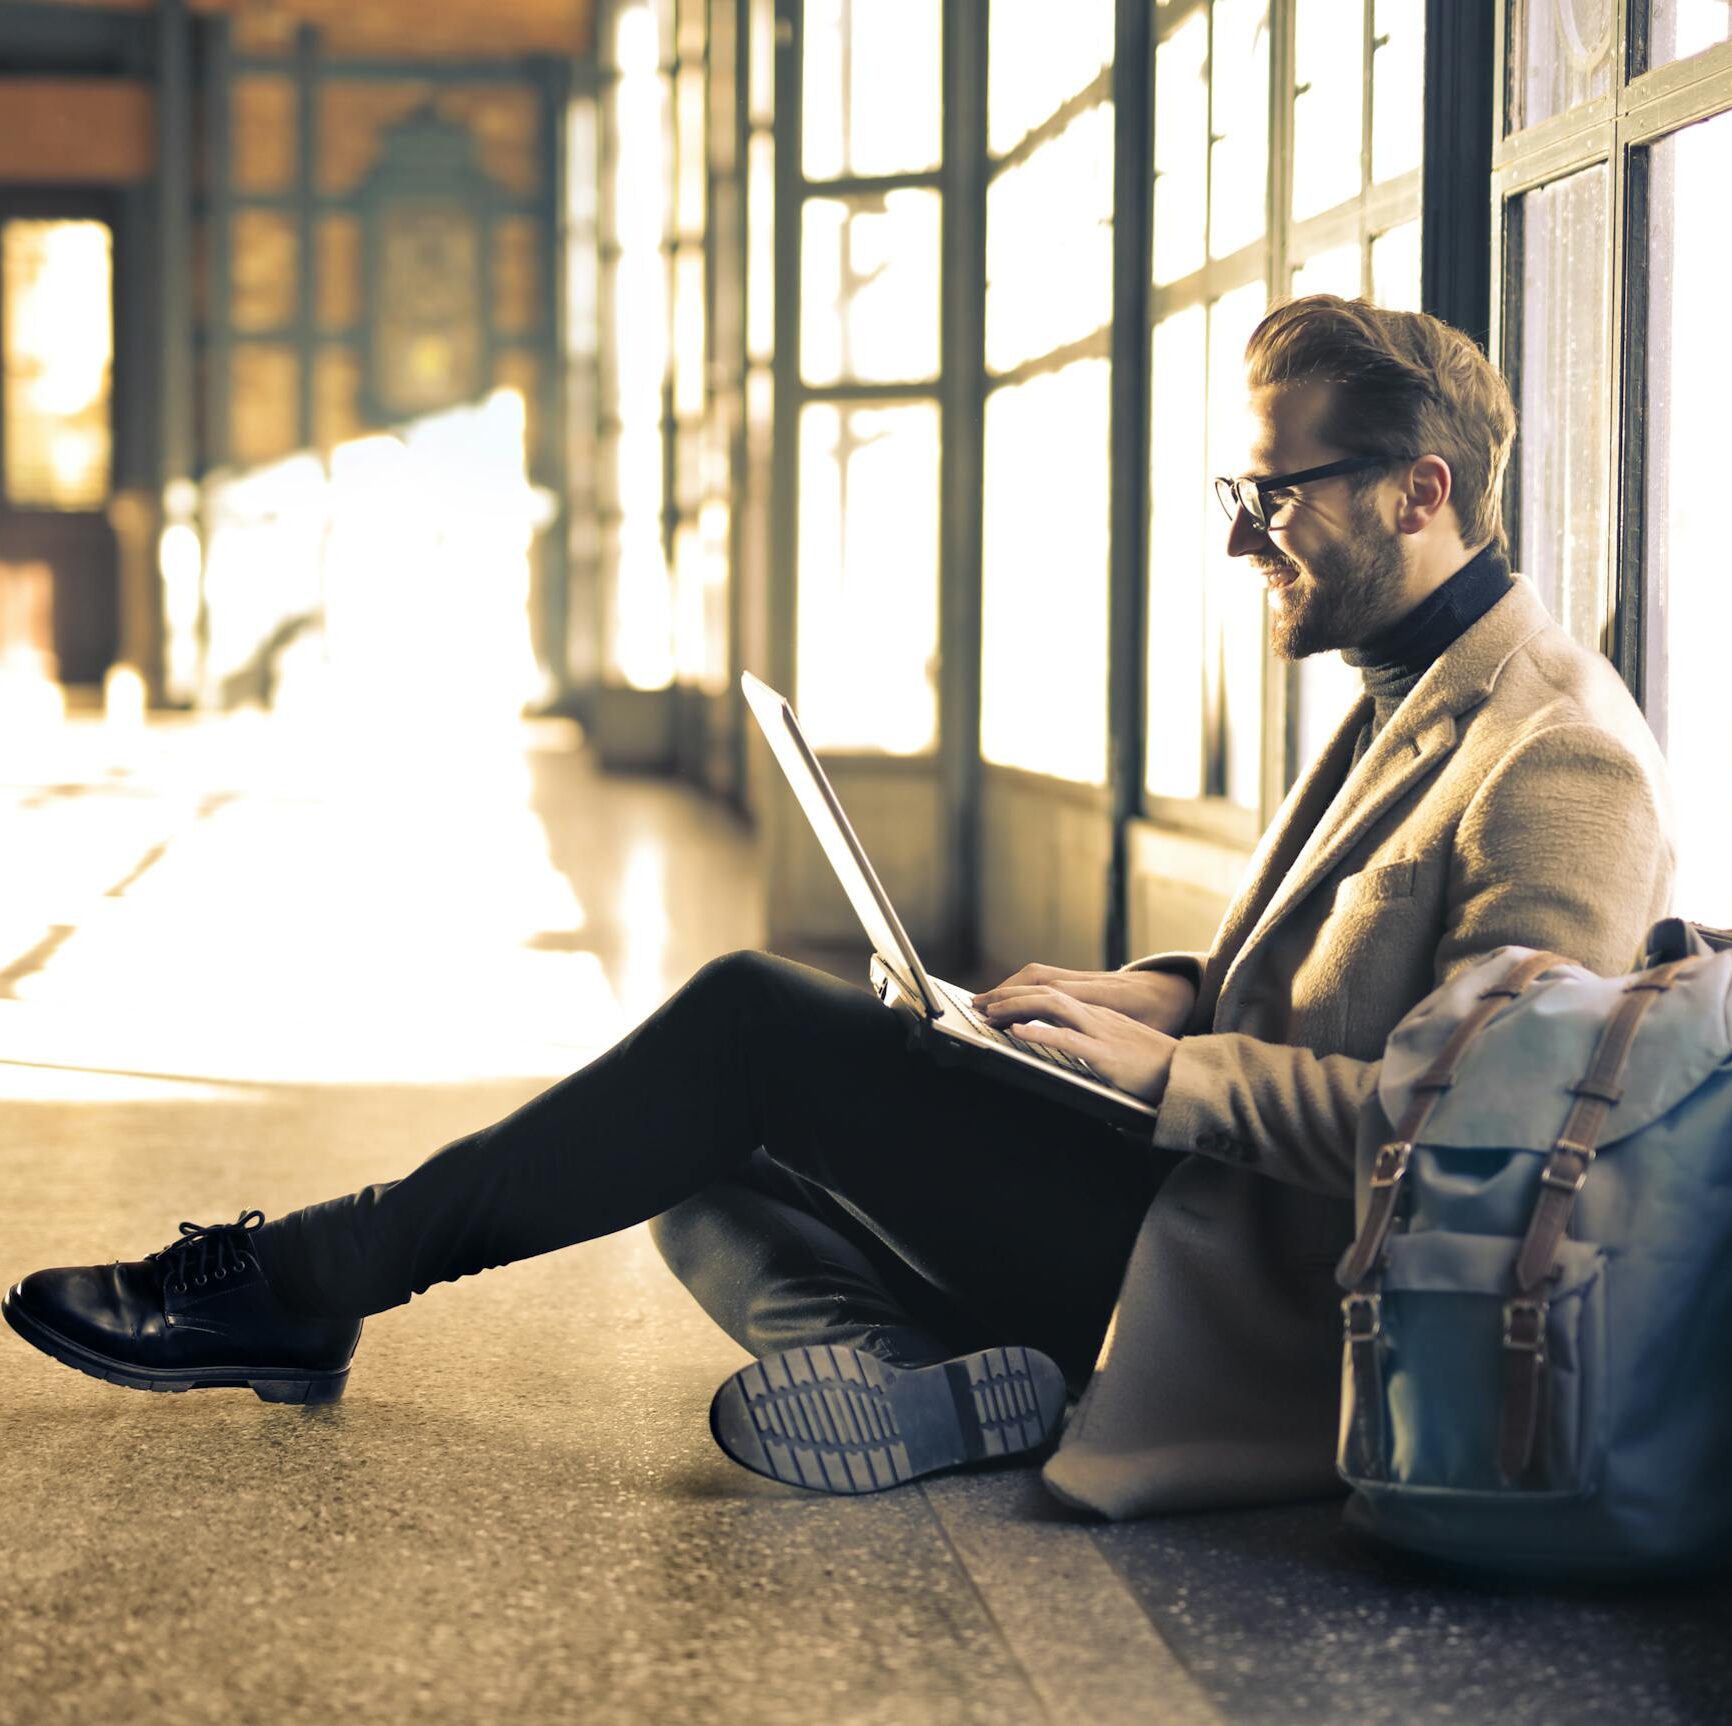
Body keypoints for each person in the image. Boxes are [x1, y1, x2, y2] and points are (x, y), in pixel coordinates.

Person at [2, 296, 1676, 1513]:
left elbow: (1488, 1143)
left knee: (743, 1022)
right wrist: (1151, 995)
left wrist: (1162, 1078)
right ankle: (919, 1379)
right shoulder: (1416, 680)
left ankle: (304, 1279)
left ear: (1422, 488)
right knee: (678, 1160)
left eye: (1276, 495)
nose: (1248, 541)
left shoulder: (1556, 756)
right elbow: (1328, 979)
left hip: (1255, 1292)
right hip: (1177, 1197)